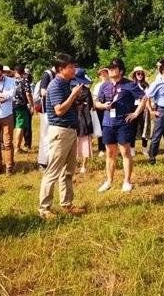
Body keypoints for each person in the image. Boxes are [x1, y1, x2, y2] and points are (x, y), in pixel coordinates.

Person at [38, 54, 86, 219]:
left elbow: (68, 106)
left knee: (68, 171)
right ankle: (44, 208)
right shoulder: (56, 85)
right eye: (70, 67)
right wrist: (73, 95)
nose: (74, 69)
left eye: (74, 66)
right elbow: (59, 110)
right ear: (61, 69)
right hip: (60, 131)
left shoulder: (66, 83)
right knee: (53, 171)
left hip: (70, 130)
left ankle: (67, 204)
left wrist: (77, 100)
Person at [95, 58, 146, 193]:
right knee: (110, 153)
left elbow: (144, 97)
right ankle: (109, 181)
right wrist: (102, 105)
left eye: (114, 67)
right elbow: (96, 102)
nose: (110, 69)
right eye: (109, 68)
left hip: (123, 123)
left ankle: (127, 181)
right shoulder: (104, 85)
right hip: (108, 123)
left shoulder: (130, 84)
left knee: (125, 152)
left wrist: (135, 113)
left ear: (121, 71)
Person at [72, 68, 94, 174]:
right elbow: (90, 106)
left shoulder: (70, 90)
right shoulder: (86, 90)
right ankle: (83, 166)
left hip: (73, 118)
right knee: (85, 141)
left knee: (73, 142)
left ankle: (73, 164)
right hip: (85, 117)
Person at [37, 66, 56, 170]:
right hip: (46, 111)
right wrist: (56, 92)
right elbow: (42, 92)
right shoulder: (47, 74)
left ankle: (50, 160)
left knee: (51, 136)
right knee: (45, 136)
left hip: (53, 111)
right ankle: (43, 162)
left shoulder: (56, 75)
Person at [130, 66, 151, 158]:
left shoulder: (146, 85)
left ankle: (144, 148)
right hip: (133, 107)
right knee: (132, 128)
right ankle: (132, 149)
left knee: (144, 128)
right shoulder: (131, 85)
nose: (140, 75)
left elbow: (148, 97)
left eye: (142, 73)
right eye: (138, 73)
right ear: (135, 75)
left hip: (144, 108)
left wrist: (148, 107)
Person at [13, 64, 34, 154]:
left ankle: (13, 146)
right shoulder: (24, 80)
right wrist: (31, 105)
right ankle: (17, 148)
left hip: (11, 105)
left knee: (14, 126)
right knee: (20, 126)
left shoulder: (12, 81)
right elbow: (28, 94)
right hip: (21, 106)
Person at [92, 68, 108, 157]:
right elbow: (94, 98)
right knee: (100, 128)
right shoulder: (97, 86)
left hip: (110, 109)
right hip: (100, 109)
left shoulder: (112, 83)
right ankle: (101, 148)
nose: (104, 74)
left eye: (105, 72)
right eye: (102, 73)